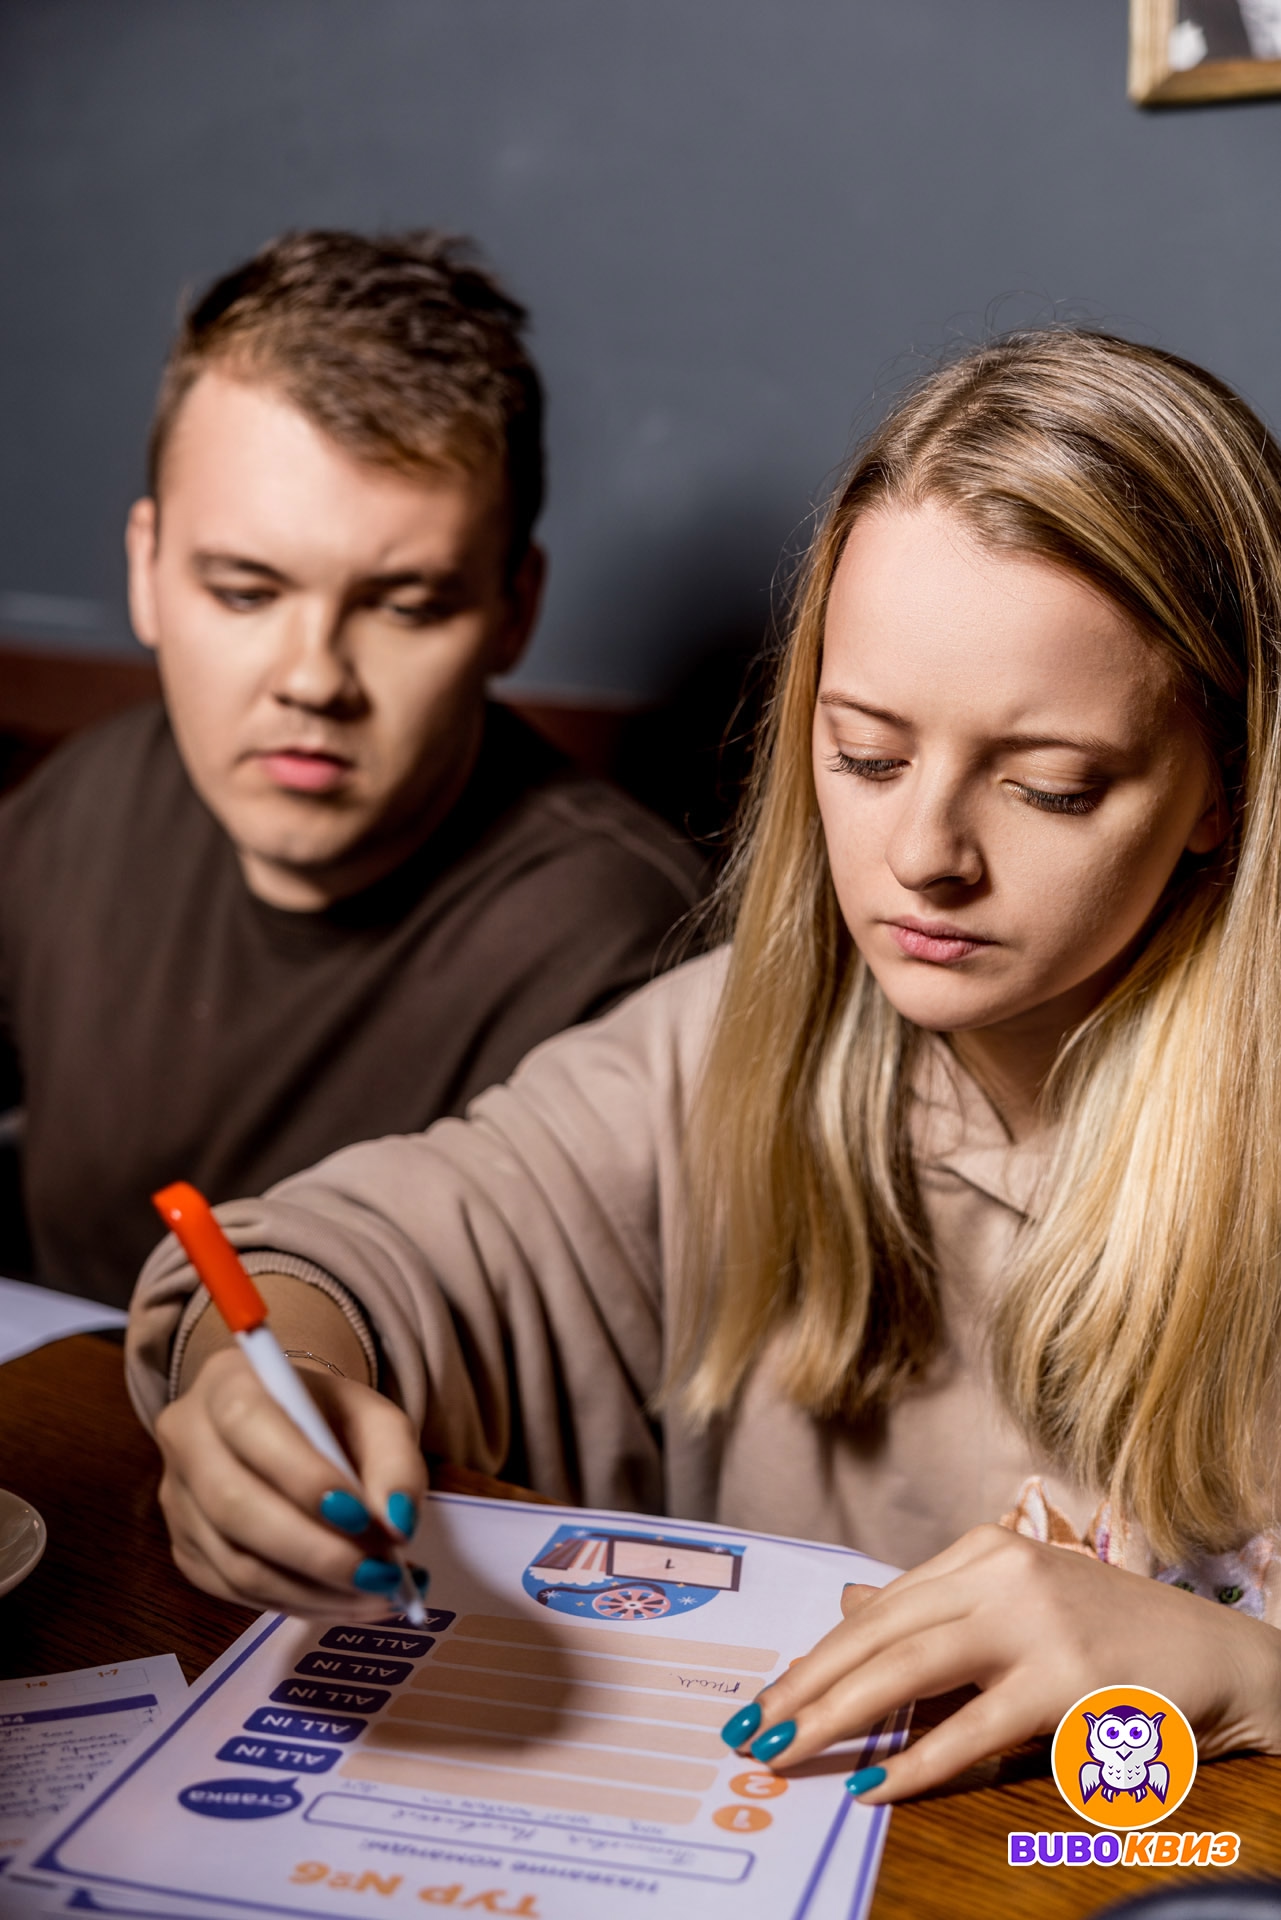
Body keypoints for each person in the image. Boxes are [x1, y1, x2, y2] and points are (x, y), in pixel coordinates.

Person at [128, 329, 1281, 1798]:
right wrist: (267, 1377)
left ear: (1221, 791)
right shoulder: (738, 1036)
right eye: (863, 755)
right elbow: (362, 1246)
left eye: (1048, 785)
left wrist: (1244, 1673)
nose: (923, 856)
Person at [0, 230, 703, 1305]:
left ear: (513, 613)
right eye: (245, 592)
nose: (314, 679)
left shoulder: (627, 957)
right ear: (144, 570)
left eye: (406, 606)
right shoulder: (83, 805)